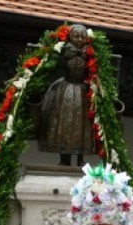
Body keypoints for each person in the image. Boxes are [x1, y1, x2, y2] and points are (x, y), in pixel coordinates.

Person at [38, 23, 94, 166]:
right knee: (65, 123)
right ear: (70, 37)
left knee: (82, 124)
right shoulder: (64, 50)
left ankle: (80, 157)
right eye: (76, 36)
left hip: (82, 91)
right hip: (66, 91)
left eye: (83, 37)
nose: (80, 40)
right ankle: (64, 158)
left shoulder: (90, 53)